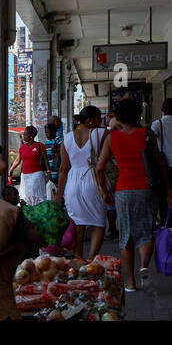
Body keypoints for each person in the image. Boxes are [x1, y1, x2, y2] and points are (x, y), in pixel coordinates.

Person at [95, 98, 167, 292]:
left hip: (123, 190)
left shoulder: (112, 138)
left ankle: (130, 282)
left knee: (126, 236)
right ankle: (144, 266)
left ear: (118, 116)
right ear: (138, 115)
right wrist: (168, 190)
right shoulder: (147, 134)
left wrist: (104, 191)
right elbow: (159, 162)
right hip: (146, 189)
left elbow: (100, 168)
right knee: (145, 232)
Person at [57, 105, 106, 261]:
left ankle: (78, 258)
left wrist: (59, 194)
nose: (101, 121)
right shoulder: (101, 133)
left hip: (72, 183)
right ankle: (91, 260)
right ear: (90, 120)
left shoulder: (67, 138)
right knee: (98, 223)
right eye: (98, 117)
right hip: (92, 180)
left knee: (78, 224)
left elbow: (63, 168)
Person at [11, 125, 49, 205]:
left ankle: (38, 209)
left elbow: (45, 159)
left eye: (25, 134)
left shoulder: (40, 145)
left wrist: (48, 172)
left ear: (31, 136)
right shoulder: (22, 147)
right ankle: (29, 210)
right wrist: (10, 170)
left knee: (36, 194)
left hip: (37, 174)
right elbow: (17, 160)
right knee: (26, 195)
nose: (23, 136)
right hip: (25, 175)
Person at [151, 98, 172, 219]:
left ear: (163, 110)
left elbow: (152, 144)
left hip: (164, 166)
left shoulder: (158, 124)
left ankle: (167, 225)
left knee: (164, 198)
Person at [43, 120, 63, 197]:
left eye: (48, 132)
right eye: (46, 132)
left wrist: (57, 150)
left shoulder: (60, 140)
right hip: (50, 170)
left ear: (54, 132)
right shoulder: (47, 142)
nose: (47, 134)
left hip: (57, 170)